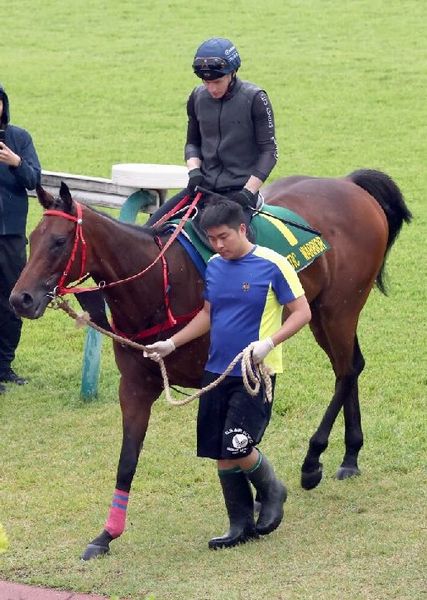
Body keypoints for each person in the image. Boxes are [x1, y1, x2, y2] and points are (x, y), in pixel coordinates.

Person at [145, 199, 311, 549]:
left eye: (224, 237)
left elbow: (301, 313)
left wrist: (268, 343)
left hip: (256, 370)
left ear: (242, 229)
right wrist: (171, 344)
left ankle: (272, 490)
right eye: (212, 239)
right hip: (216, 370)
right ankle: (239, 525)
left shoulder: (273, 264)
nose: (219, 245)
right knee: (220, 449)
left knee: (238, 442)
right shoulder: (215, 266)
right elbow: (208, 314)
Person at [146, 37, 278, 227]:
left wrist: (248, 192)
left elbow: (270, 152)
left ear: (232, 73)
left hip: (239, 193)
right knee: (149, 229)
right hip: (202, 188)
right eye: (205, 82)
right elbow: (193, 143)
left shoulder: (256, 98)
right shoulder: (197, 96)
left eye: (217, 81)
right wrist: (194, 171)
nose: (211, 88)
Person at [0, 83, 41, 393]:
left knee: (12, 302)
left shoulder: (19, 138)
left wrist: (15, 162)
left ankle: (4, 366)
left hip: (11, 236)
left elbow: (33, 180)